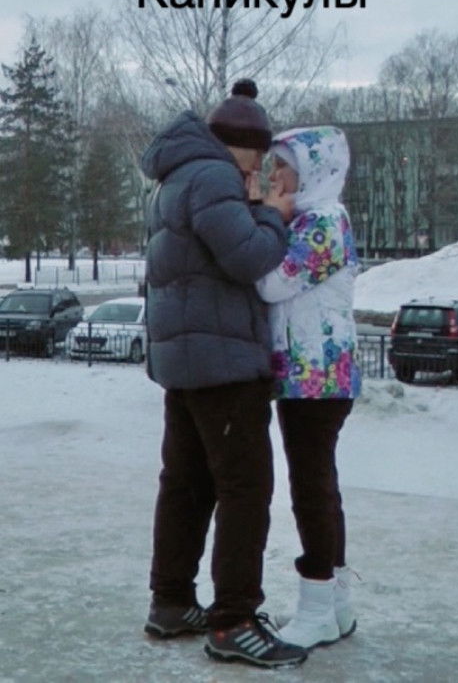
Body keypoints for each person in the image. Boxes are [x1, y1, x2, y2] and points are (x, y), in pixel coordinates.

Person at [140, 79, 308, 669]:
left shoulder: (174, 178)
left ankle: (171, 602)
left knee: (185, 485)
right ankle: (234, 620)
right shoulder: (214, 177)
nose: (259, 169)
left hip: (185, 363)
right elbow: (248, 257)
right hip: (225, 366)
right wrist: (274, 215)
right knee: (246, 489)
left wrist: (252, 208)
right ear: (241, 146)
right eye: (258, 157)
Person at [255, 125, 362, 649]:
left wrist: (267, 220)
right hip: (312, 374)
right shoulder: (313, 219)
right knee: (320, 482)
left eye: (284, 166)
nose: (274, 175)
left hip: (316, 375)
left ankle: (317, 605)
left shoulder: (322, 222)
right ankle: (336, 605)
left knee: (310, 488)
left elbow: (271, 282)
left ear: (313, 172)